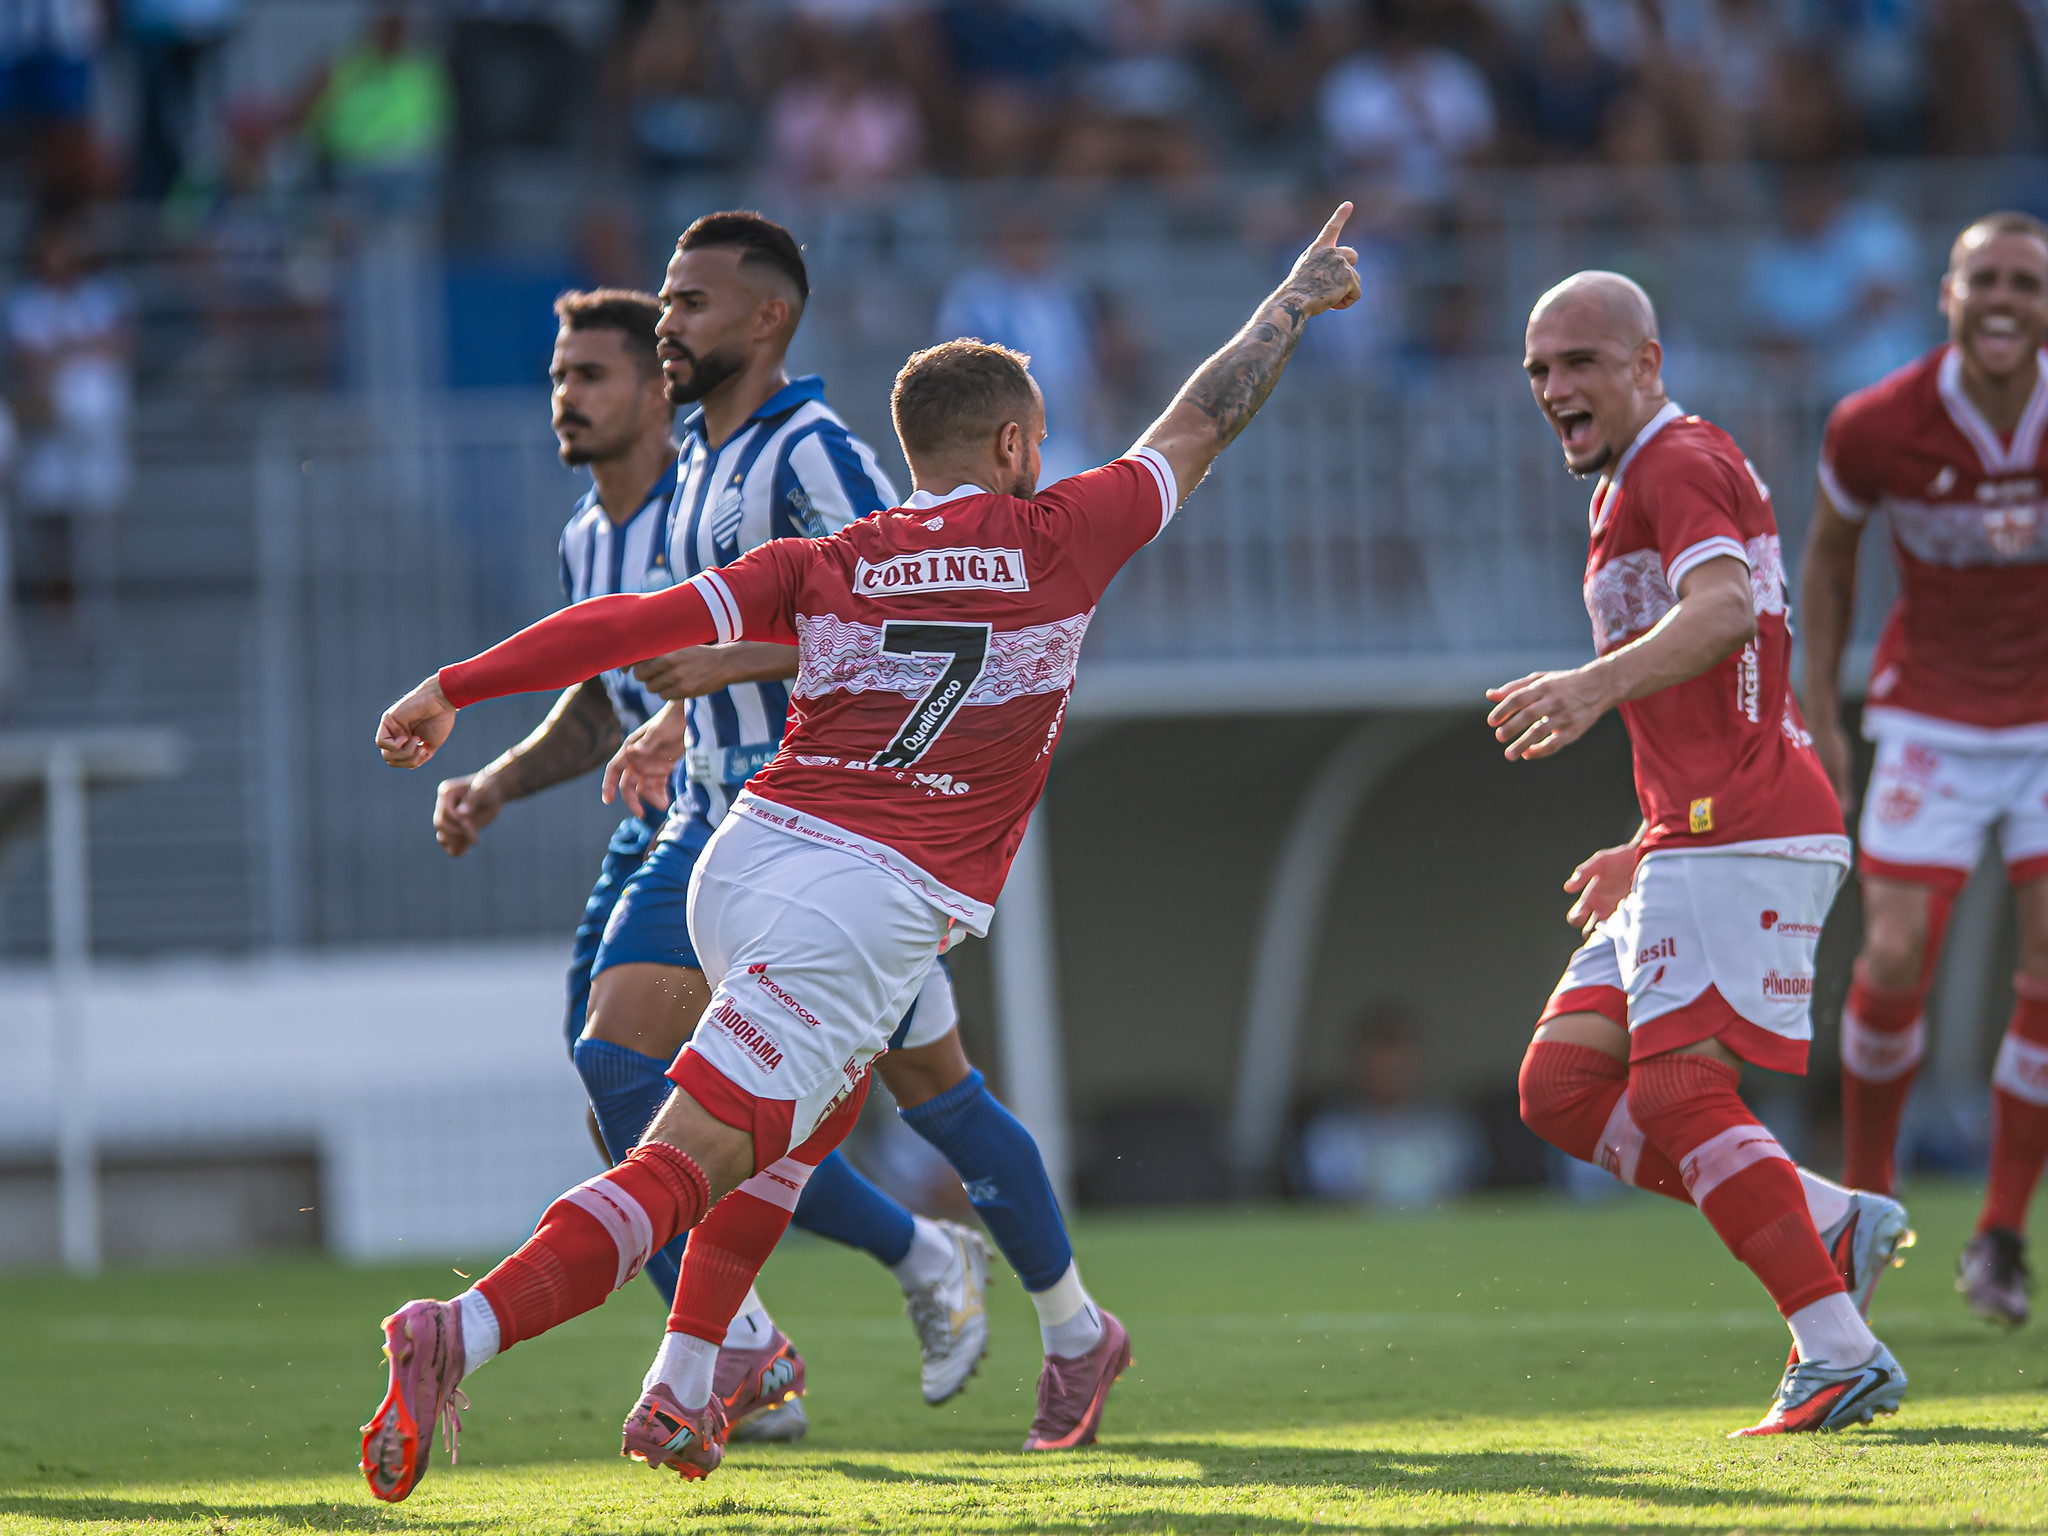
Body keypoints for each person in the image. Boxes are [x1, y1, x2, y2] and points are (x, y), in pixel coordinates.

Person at [360, 203, 1363, 1498]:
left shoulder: (831, 556)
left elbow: (626, 625)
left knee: (812, 1116)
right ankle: (460, 1331)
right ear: (1016, 445)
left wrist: (454, 684)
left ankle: (687, 1382)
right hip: (860, 902)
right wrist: (1290, 302)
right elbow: (1201, 418)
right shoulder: (1067, 531)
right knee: (685, 1164)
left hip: (745, 858)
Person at [430, 268, 989, 1441]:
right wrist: (496, 779)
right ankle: (772, 1333)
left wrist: (699, 703)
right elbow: (602, 691)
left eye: (593, 375)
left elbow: (869, 608)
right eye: (558, 377)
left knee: (845, 1095)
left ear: (655, 392)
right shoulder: (592, 534)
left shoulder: (756, 475)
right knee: (637, 1101)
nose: (566, 397)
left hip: (803, 831)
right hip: (678, 820)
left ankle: (858, 1315)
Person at [611, 211, 1132, 1427]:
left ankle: (750, 1341)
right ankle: (994, 1313)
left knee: (826, 1092)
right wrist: (680, 713)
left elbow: (899, 614)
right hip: (746, 819)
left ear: (766, 319)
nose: (664, 325)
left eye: (686, 303)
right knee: (749, 1086)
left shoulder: (814, 456)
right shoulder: (694, 462)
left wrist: (729, 667)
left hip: (840, 836)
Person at [1502, 271, 1911, 1437]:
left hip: (1744, 826)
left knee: (1677, 1090)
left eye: (1579, 361)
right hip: (1689, 831)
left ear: (1647, 364)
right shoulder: (1630, 478)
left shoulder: (1675, 461)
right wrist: (1643, 840)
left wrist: (1589, 686)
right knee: (1559, 1086)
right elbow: (1727, 676)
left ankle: (1834, 1350)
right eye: (1537, 368)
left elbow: (1726, 610)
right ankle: (1825, 1217)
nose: (1553, 386)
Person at [1803, 211, 2048, 1328]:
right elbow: (1826, 558)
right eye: (1983, 279)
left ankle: (1999, 1234)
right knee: (1895, 951)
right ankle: (1866, 1204)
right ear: (1945, 295)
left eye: (2024, 283)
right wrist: (1821, 709)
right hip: (1930, 721)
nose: (2003, 300)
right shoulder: (1876, 423)